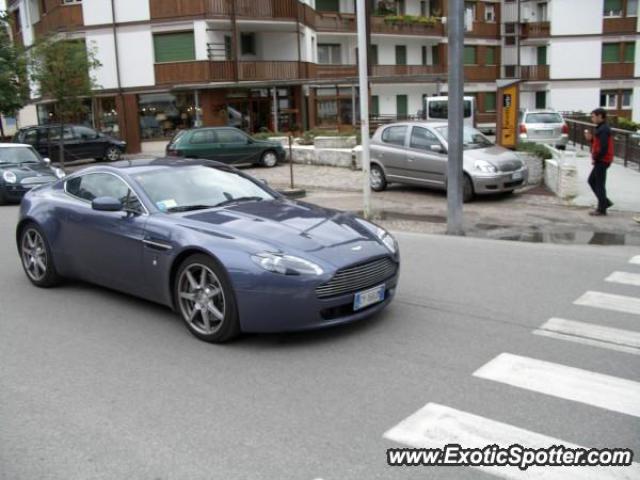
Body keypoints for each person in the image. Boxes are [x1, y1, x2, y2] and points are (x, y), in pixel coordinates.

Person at [584, 108, 614, 216]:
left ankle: (602, 208)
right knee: (592, 181)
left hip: (602, 160)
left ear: (600, 116)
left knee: (599, 184)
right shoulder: (601, 128)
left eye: (593, 116)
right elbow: (599, 144)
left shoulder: (604, 130)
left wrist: (596, 158)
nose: (592, 118)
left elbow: (604, 148)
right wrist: (591, 139)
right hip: (601, 160)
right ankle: (604, 202)